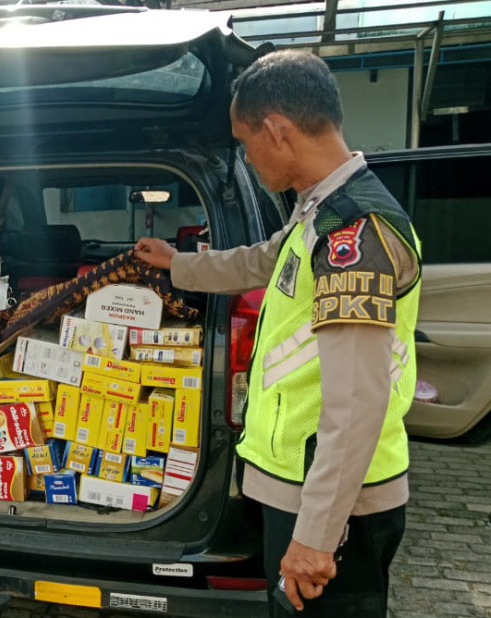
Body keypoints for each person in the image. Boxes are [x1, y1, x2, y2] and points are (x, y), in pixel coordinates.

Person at [135, 50, 420, 617]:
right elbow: (263, 260)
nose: (246, 155)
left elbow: (356, 405)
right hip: (300, 483)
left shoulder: (354, 235)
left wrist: (316, 536)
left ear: (277, 130)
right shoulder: (318, 214)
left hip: (335, 504)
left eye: (245, 142)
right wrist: (176, 263)